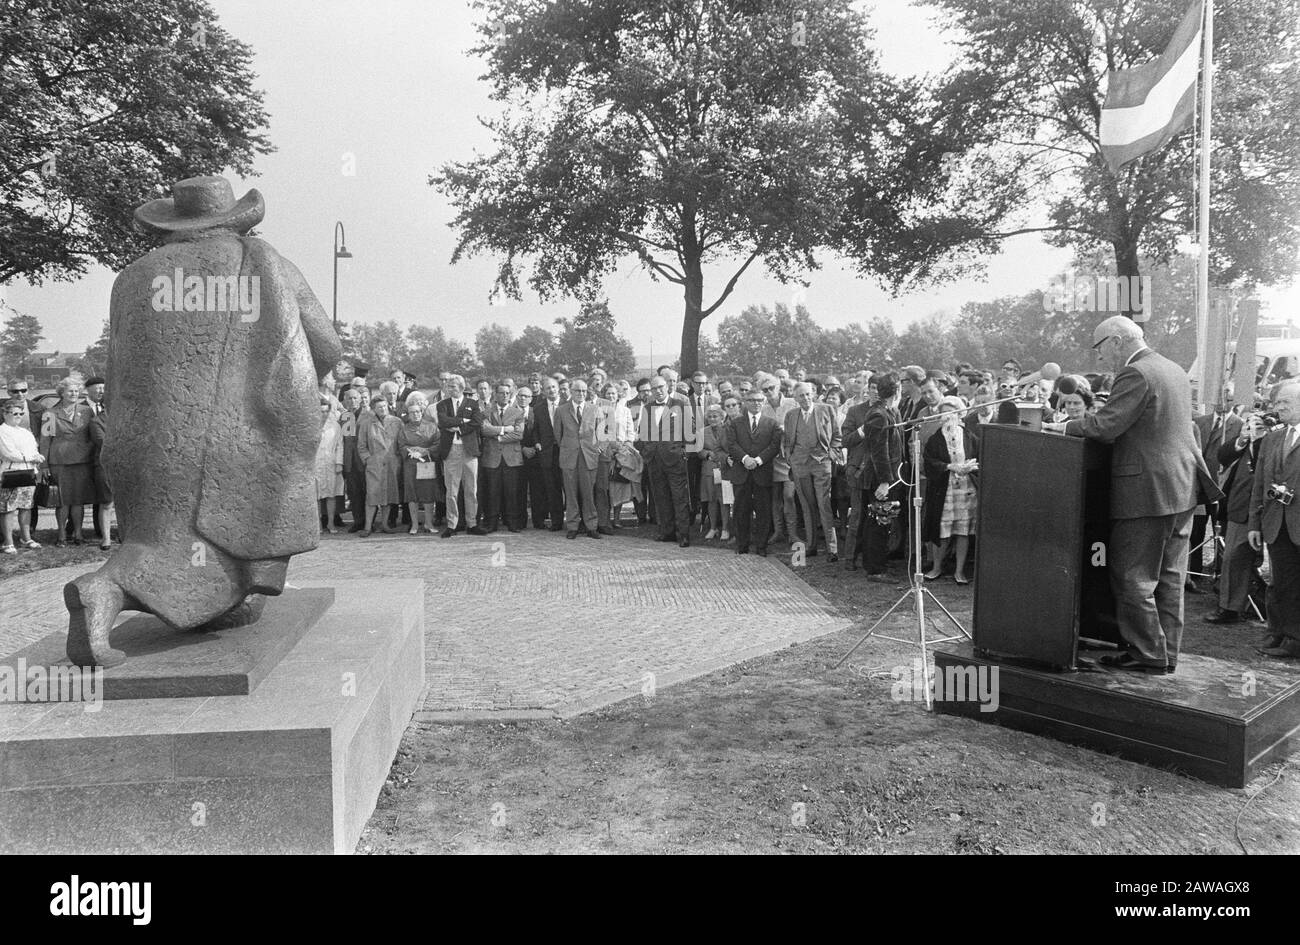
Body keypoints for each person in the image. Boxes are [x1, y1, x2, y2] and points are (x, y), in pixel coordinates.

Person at [1044, 315, 1212, 674]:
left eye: (1100, 348)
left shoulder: (1136, 373)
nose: (1101, 358)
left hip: (1146, 491)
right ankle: (1167, 654)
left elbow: (1106, 426)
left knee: (1133, 577)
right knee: (1169, 577)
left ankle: (1148, 653)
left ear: (1117, 341)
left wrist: (1061, 427)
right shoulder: (1172, 369)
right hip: (1181, 489)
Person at [1248, 381, 1300, 658]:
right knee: (1280, 582)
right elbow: (1259, 484)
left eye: (1285, 403)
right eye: (1277, 403)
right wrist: (1254, 524)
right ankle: (1279, 632)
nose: (1279, 408)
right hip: (1275, 522)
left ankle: (1295, 639)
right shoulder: (1272, 438)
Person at [1208, 408, 1263, 624]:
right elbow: (1222, 455)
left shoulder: (1275, 438)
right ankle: (1229, 608)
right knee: (1233, 557)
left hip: (1272, 508)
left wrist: (1259, 440)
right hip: (1241, 507)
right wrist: (1242, 439)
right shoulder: (1245, 439)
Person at [922, 397, 979, 583]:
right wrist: (948, 467)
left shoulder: (970, 436)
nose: (947, 417)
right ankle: (937, 567)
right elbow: (929, 462)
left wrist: (971, 466)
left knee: (963, 531)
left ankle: (959, 571)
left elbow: (979, 457)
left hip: (966, 490)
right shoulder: (935, 439)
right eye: (943, 414)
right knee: (942, 530)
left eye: (951, 413)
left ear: (959, 414)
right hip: (944, 491)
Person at [783, 382, 841, 560]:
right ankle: (811, 545)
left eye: (808, 394)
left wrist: (832, 453)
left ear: (813, 394)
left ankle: (832, 549)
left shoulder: (826, 410)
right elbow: (787, 440)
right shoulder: (791, 415)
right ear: (796, 398)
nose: (806, 398)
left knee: (824, 505)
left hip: (821, 463)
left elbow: (837, 436)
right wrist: (790, 458)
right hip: (800, 465)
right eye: (801, 395)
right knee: (807, 506)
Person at [39, 375, 95, 547]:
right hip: (60, 462)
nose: (74, 394)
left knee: (78, 500)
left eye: (76, 391)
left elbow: (92, 435)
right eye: (70, 391)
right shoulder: (50, 413)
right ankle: (62, 534)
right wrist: (44, 464)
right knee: (62, 501)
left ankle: (78, 534)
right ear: (61, 393)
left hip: (81, 461)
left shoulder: (86, 411)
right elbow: (45, 440)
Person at [726, 388, 782, 556]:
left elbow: (774, 446)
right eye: (752, 400)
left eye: (759, 400)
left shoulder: (771, 423)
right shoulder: (735, 423)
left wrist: (757, 460)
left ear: (763, 402)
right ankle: (742, 545)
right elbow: (732, 445)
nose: (756, 403)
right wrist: (745, 459)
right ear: (745, 403)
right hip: (741, 473)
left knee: (763, 511)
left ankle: (761, 546)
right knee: (741, 510)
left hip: (762, 472)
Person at [638, 375, 692, 546]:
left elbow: (690, 431)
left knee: (679, 498)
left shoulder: (680, 405)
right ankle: (667, 532)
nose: (658, 391)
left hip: (674, 459)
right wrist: (647, 451)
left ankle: (683, 534)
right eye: (654, 389)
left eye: (660, 387)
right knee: (661, 498)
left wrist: (682, 451)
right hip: (654, 460)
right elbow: (643, 432)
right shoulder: (647, 408)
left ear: (668, 386)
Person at [435, 375, 486, 537]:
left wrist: (458, 427)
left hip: (469, 451)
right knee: (451, 490)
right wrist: (463, 420)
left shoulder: (472, 404)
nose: (450, 389)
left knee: (471, 489)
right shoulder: (442, 404)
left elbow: (477, 422)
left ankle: (472, 523)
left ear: (462, 388)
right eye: (448, 387)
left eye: (453, 387)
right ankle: (452, 524)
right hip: (451, 451)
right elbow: (443, 422)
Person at [555, 379, 602, 539]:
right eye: (577, 391)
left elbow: (602, 433)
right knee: (571, 493)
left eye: (583, 391)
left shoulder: (595, 409)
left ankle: (591, 526)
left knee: (588, 492)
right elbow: (558, 435)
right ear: (571, 392)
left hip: (588, 456)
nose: (581, 394)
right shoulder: (561, 410)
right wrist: (569, 447)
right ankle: (573, 526)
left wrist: (597, 449)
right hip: (569, 457)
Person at [479, 381, 527, 532]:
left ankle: (512, 523)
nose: (505, 395)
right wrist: (504, 429)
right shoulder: (487, 410)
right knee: (492, 491)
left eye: (507, 393)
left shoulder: (517, 412)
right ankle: (491, 523)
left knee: (511, 492)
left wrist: (498, 437)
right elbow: (484, 430)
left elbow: (518, 434)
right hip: (492, 457)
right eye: (501, 393)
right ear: (495, 394)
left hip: (511, 459)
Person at [758, 372, 798, 544]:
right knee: (775, 497)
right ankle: (778, 532)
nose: (769, 392)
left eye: (771, 388)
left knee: (789, 495)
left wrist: (785, 429)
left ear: (779, 386)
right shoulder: (763, 407)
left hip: (789, 456)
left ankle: (793, 533)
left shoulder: (791, 403)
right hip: (771, 457)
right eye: (765, 389)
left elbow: (800, 426)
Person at [0, 398, 43, 554]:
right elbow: (9, 453)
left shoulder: (25, 432)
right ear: (5, 414)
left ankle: (26, 538)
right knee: (8, 508)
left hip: (29, 472)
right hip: (11, 472)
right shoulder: (2, 431)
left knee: (26, 507)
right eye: (14, 413)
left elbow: (34, 448)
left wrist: (37, 456)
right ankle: (8, 541)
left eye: (21, 413)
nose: (18, 416)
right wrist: (30, 457)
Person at [356, 395, 402, 536]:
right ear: (374, 409)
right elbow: (361, 446)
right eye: (379, 407)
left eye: (384, 406)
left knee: (387, 496)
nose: (383, 409)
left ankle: (385, 524)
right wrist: (368, 460)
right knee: (372, 495)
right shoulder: (366, 423)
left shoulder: (397, 422)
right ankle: (368, 527)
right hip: (374, 465)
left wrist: (398, 459)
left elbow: (402, 442)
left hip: (391, 464)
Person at [397, 393, 441, 535]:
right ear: (408, 414)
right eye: (412, 412)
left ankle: (429, 523)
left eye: (417, 412)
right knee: (412, 494)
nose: (415, 414)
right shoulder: (404, 429)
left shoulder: (432, 426)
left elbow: (438, 443)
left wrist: (425, 451)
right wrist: (411, 452)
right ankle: (414, 524)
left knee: (428, 494)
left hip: (427, 464)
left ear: (422, 412)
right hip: (410, 465)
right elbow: (401, 445)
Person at [530, 376, 565, 530]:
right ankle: (557, 522)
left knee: (569, 488)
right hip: (547, 453)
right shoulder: (538, 408)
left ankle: (574, 521)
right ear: (543, 391)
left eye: (553, 387)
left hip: (566, 451)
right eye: (548, 388)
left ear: (558, 388)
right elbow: (535, 429)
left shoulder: (567, 404)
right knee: (552, 489)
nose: (551, 390)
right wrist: (537, 442)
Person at [699, 403, 731, 541]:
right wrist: (707, 454)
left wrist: (722, 456)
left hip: (725, 469)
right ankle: (713, 528)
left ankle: (725, 528)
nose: (712, 419)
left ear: (721, 417)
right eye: (710, 416)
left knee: (724, 500)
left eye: (715, 416)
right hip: (709, 470)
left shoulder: (728, 430)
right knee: (711, 499)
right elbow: (698, 451)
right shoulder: (702, 432)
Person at [314, 398, 345, 534]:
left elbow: (340, 445)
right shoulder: (311, 426)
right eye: (321, 411)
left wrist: (339, 463)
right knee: (317, 495)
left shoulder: (335, 426)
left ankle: (331, 523)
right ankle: (318, 524)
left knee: (331, 494)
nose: (324, 414)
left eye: (326, 411)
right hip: (315, 464)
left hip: (331, 463)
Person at [340, 387, 368, 531]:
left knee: (366, 492)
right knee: (354, 492)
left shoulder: (368, 415)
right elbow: (347, 441)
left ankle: (368, 522)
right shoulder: (345, 417)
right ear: (345, 401)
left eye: (355, 398)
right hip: (350, 461)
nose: (352, 401)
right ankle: (358, 521)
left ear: (360, 399)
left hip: (364, 460)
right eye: (349, 398)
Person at [87, 396, 114, 550]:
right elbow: (104, 443)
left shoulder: (128, 419)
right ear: (104, 404)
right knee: (106, 503)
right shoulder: (96, 422)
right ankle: (106, 538)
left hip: (126, 466)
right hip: (104, 466)